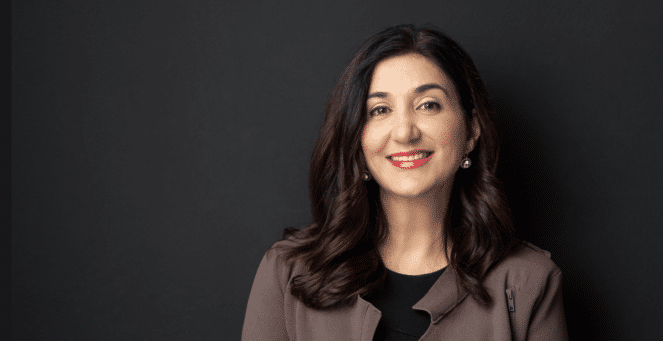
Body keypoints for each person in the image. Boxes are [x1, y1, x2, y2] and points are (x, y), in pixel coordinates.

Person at [242, 24, 568, 340]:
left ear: (471, 131)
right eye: (380, 110)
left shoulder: (528, 283)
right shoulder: (288, 273)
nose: (404, 132)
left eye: (428, 105)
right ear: (356, 138)